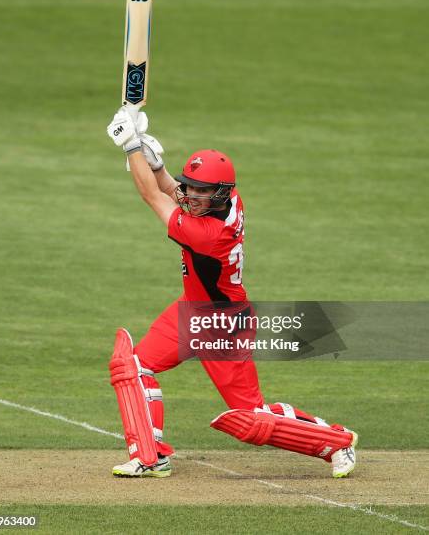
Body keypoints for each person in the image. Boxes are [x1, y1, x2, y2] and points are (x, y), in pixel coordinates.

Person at [106, 107, 358, 479]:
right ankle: (149, 455)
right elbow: (177, 195)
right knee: (133, 367)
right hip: (192, 310)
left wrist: (130, 147)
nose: (191, 196)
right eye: (189, 187)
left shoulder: (207, 235)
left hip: (222, 325)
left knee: (250, 418)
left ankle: (337, 441)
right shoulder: (226, 204)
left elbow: (154, 198)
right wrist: (157, 166)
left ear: (220, 194)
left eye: (202, 191)